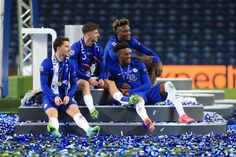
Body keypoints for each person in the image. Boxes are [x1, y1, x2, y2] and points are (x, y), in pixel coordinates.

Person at [107, 42, 194, 130]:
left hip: (147, 93)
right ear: (119, 56)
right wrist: (120, 86)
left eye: (130, 53)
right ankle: (147, 121)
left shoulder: (138, 64)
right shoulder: (112, 68)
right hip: (134, 97)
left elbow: (148, 85)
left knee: (168, 85)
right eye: (126, 54)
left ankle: (182, 115)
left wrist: (129, 92)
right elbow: (111, 84)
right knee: (138, 99)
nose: (129, 56)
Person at [70, 22, 135, 118]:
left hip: (92, 78)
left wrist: (101, 78)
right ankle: (92, 109)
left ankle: (123, 100)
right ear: (88, 34)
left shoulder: (98, 49)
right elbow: (73, 69)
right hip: (78, 78)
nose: (98, 35)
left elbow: (102, 68)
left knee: (110, 82)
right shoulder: (75, 48)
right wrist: (88, 79)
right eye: (96, 33)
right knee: (85, 83)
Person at [40, 37, 100, 138]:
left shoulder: (70, 64)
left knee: (76, 111)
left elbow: (73, 84)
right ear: (58, 48)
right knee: (53, 114)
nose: (70, 49)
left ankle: (89, 130)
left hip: (66, 95)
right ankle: (54, 130)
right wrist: (53, 97)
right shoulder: (46, 63)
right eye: (66, 46)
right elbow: (44, 85)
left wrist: (69, 95)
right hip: (50, 96)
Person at [104, 18, 163, 84]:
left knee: (153, 63)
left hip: (126, 68)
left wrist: (158, 61)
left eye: (129, 30)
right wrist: (140, 59)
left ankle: (149, 88)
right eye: (125, 31)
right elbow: (117, 59)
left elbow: (150, 52)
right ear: (118, 32)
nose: (128, 33)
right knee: (144, 62)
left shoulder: (131, 41)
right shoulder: (112, 43)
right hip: (111, 71)